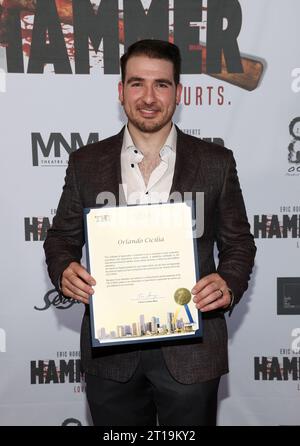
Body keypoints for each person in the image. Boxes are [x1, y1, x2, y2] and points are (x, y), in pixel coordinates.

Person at [44, 39, 256, 426]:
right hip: (111, 354)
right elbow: (61, 237)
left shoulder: (216, 163)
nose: (148, 97)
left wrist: (227, 283)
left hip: (192, 351)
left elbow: (239, 242)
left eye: (161, 84)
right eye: (137, 83)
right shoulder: (85, 163)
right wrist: (63, 270)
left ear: (178, 92)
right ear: (120, 91)